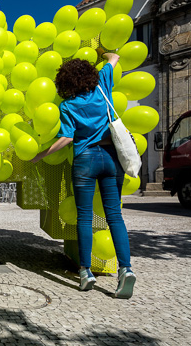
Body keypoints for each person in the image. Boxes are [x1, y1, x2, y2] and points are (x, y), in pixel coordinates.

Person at [32, 51, 136, 299]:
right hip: (111, 158)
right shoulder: (102, 87)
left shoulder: (67, 105)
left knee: (84, 217)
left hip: (85, 160)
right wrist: (106, 54)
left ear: (64, 83)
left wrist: (40, 155)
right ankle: (126, 269)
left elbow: (67, 138)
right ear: (89, 75)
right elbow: (114, 59)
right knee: (115, 215)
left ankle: (85, 272)